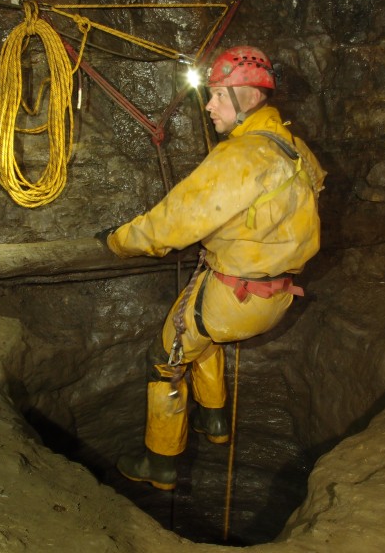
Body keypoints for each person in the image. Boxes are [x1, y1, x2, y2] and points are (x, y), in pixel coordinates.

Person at [98, 45, 326, 490]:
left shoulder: (240, 158)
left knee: (164, 360)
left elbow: (168, 227)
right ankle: (216, 419)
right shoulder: (294, 148)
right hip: (276, 296)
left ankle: (160, 464)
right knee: (202, 335)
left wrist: (116, 242)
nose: (209, 106)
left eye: (219, 95)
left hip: (231, 297)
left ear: (248, 97)